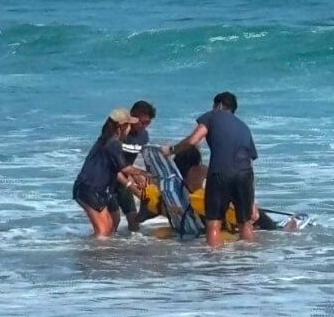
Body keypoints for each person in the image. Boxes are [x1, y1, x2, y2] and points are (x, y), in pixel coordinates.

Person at [162, 92, 257, 246]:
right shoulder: (243, 127)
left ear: (218, 106)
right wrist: (252, 201)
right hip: (245, 175)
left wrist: (172, 150)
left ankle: (213, 264)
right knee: (245, 224)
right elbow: (251, 162)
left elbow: (193, 141)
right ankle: (248, 261)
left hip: (220, 173)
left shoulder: (212, 116)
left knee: (214, 224)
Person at [73, 108, 147, 238]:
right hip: (89, 189)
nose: (130, 128)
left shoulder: (105, 139)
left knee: (108, 226)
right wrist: (150, 175)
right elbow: (125, 169)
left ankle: (96, 254)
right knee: (102, 231)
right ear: (122, 127)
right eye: (129, 125)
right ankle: (96, 256)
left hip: (94, 189)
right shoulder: (113, 143)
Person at [113, 100, 156, 233]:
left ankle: (131, 250)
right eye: (142, 122)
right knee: (114, 221)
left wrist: (150, 180)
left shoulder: (144, 135)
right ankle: (104, 251)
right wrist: (132, 180)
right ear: (132, 118)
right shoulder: (119, 133)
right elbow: (112, 164)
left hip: (124, 178)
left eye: (147, 123)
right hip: (108, 179)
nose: (144, 126)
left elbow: (148, 160)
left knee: (134, 221)